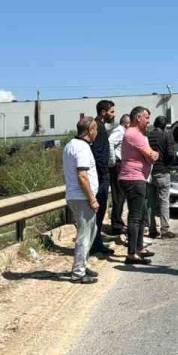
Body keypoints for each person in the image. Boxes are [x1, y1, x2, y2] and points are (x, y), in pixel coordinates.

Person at [63, 118, 101, 284]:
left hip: (75, 196)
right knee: (84, 236)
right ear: (89, 130)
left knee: (90, 231)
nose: (97, 133)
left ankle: (82, 265)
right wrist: (92, 199)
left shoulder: (70, 145)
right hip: (82, 197)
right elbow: (82, 176)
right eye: (96, 130)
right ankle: (78, 273)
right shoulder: (82, 147)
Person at [118, 107, 158, 264]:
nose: (148, 121)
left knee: (141, 215)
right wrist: (153, 155)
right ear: (138, 118)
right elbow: (151, 156)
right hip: (133, 178)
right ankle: (131, 253)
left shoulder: (136, 134)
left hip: (137, 178)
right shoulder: (134, 134)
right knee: (135, 217)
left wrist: (151, 156)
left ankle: (139, 247)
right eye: (146, 117)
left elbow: (149, 157)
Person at [89, 100, 117, 257]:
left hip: (100, 174)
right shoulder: (98, 126)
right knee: (99, 210)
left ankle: (96, 241)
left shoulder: (98, 126)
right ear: (103, 112)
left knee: (99, 210)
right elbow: (98, 153)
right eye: (112, 112)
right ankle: (96, 244)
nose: (114, 114)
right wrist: (104, 172)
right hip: (101, 176)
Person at [146, 115, 176, 240]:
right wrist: (167, 164)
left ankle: (152, 229)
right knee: (164, 202)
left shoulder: (147, 136)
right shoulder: (166, 135)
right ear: (165, 126)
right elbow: (170, 153)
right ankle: (165, 230)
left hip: (149, 172)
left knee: (150, 203)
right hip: (162, 171)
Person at [108, 113, 131, 234]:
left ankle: (118, 221)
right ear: (126, 123)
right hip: (117, 164)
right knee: (118, 195)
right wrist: (112, 160)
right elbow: (110, 142)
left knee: (121, 195)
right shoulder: (120, 131)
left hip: (119, 164)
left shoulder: (122, 131)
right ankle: (116, 224)